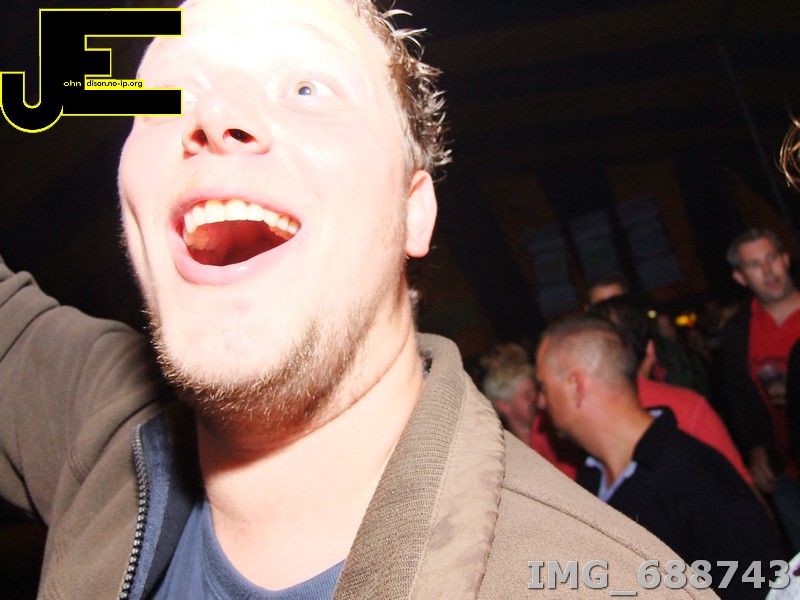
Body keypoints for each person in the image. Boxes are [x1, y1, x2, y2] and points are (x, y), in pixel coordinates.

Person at [0, 1, 709, 598]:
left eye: (306, 87)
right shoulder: (98, 422)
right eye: (167, 94)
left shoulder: (605, 583)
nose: (212, 115)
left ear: (413, 211)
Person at [534, 315, 785, 600]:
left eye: (543, 387)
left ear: (576, 386)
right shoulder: (591, 480)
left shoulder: (697, 480)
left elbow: (759, 587)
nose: (541, 402)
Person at [531, 294, 752, 484]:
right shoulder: (686, 406)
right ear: (651, 351)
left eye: (543, 388)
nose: (540, 401)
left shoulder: (682, 413)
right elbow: (742, 494)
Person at [721, 227, 800, 553]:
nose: (768, 270)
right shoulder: (738, 331)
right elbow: (737, 398)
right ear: (740, 277)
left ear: (786, 259)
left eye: (772, 258)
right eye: (755, 265)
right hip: (785, 473)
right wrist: (754, 448)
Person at [480, 343, 538, 443]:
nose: (538, 398)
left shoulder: (555, 438)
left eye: (536, 391)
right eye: (527, 395)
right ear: (504, 405)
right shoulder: (499, 448)